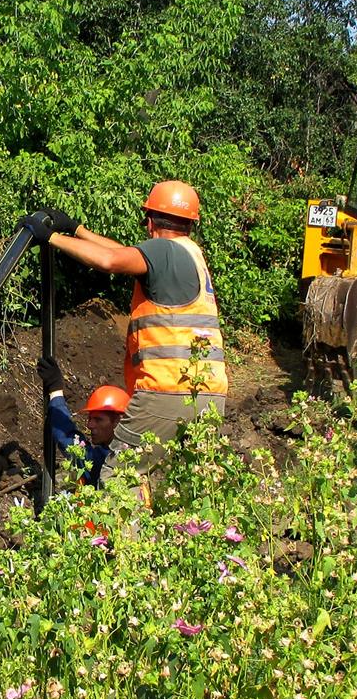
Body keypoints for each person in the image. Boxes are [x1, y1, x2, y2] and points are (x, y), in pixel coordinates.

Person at [21, 181, 228, 480]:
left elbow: (109, 260)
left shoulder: (164, 249)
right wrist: (76, 230)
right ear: (191, 223)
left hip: (167, 389)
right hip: (207, 394)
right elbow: (126, 253)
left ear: (149, 221)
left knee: (118, 478)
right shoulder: (190, 254)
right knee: (183, 482)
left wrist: (51, 237)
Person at [36, 354, 129, 486]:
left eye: (98, 419)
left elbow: (68, 438)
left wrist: (55, 390)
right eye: (90, 418)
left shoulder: (109, 459)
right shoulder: (135, 451)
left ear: (118, 421)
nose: (89, 425)